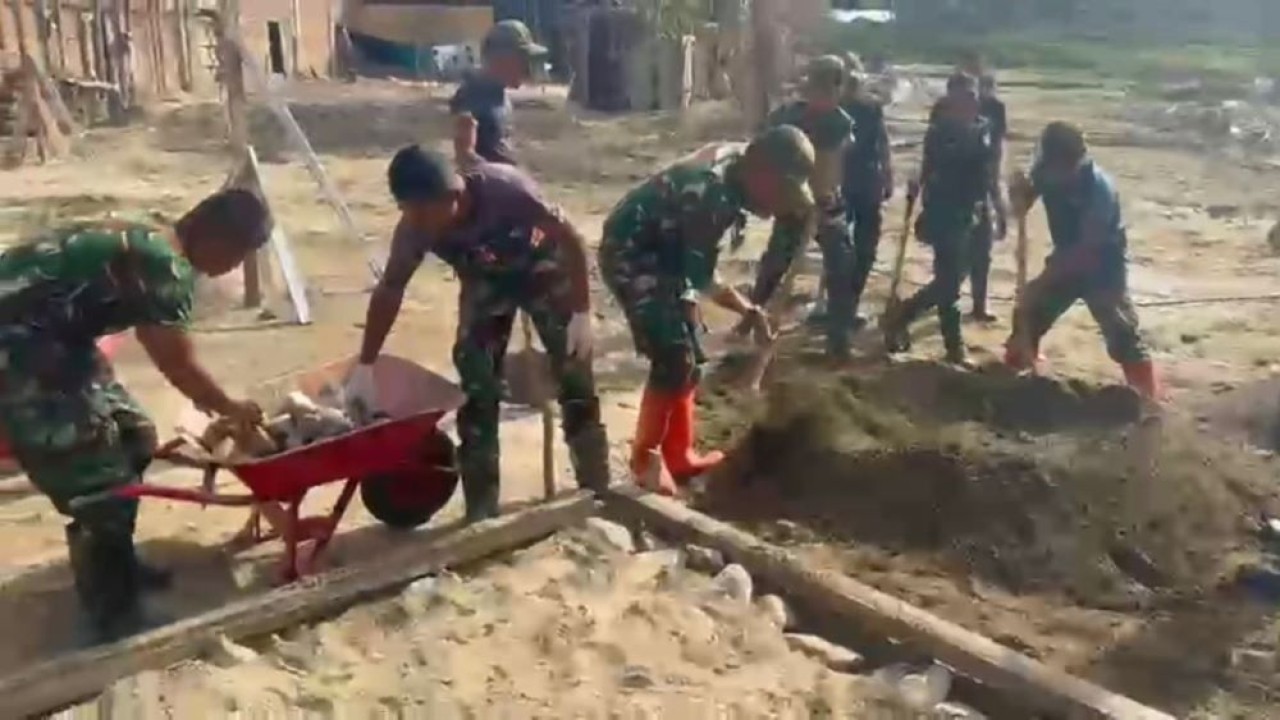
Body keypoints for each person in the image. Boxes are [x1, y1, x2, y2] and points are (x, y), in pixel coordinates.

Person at [0, 190, 270, 644]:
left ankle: (114, 560)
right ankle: (112, 612)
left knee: (134, 437)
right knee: (97, 475)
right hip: (19, 346)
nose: (235, 267)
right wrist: (230, 408)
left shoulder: (155, 233)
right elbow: (176, 361)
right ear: (218, 238)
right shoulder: (164, 264)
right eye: (240, 255)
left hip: (59, 338)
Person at [347, 146, 609, 523]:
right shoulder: (415, 229)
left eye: (425, 212)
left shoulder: (508, 192)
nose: (419, 222)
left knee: (574, 369)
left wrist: (582, 312)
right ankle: (481, 508)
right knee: (475, 381)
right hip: (487, 280)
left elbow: (571, 239)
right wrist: (366, 364)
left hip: (545, 269)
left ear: (453, 196)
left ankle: (595, 486)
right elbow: (391, 288)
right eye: (409, 212)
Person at [600, 126, 814, 495]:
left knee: (690, 353)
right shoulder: (710, 197)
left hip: (670, 253)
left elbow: (693, 265)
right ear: (761, 172)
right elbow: (702, 277)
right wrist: (748, 309)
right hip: (634, 255)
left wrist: (747, 310)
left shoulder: (735, 173)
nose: (779, 204)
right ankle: (645, 462)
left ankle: (679, 455)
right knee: (671, 355)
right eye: (780, 191)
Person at [1006, 122, 1160, 401]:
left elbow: (1085, 251)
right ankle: (1015, 379)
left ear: (1074, 162)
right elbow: (1026, 197)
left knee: (1121, 332)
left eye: (1058, 168)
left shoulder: (1099, 191)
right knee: (1028, 315)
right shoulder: (1045, 172)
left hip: (1103, 264)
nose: (1051, 175)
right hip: (1067, 255)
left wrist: (1040, 283)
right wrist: (1019, 195)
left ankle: (1147, 399)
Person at [883, 72, 1004, 365]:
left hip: (975, 211)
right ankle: (954, 348)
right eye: (963, 98)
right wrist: (917, 188)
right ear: (951, 102)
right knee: (949, 284)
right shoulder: (941, 133)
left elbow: (989, 174)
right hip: (946, 211)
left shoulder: (984, 128)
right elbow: (931, 165)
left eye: (973, 96)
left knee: (958, 276)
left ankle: (903, 314)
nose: (971, 103)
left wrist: (1000, 208)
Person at [745, 55, 856, 358]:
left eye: (831, 88)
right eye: (820, 86)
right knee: (774, 266)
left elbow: (834, 163)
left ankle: (839, 338)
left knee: (842, 265)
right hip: (792, 201)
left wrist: (826, 196)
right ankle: (749, 320)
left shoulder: (840, 122)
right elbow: (766, 150)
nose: (824, 94)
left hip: (827, 204)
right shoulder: (789, 117)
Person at [450, 20, 547, 169]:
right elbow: (464, 155)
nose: (527, 67)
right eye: (523, 59)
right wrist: (500, 177)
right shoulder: (471, 95)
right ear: (501, 59)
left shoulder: (498, 94)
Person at [840, 68, 894, 332]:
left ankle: (848, 305)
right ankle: (842, 306)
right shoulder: (835, 111)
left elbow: (882, 146)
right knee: (842, 250)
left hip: (865, 186)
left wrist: (888, 177)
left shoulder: (870, 110)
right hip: (844, 187)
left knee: (863, 250)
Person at [968, 73, 1008, 323]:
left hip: (983, 183)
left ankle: (979, 304)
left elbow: (997, 144)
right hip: (962, 195)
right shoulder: (948, 114)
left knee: (982, 252)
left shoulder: (995, 109)